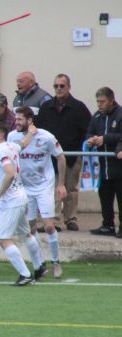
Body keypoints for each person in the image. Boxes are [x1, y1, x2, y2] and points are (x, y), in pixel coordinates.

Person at [7, 106, 67, 279]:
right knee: (30, 228)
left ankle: (56, 262)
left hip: (44, 185)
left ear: (30, 120)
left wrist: (61, 184)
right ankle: (40, 263)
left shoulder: (46, 137)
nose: (16, 123)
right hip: (25, 187)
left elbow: (60, 157)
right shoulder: (13, 136)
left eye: (19, 119)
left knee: (48, 225)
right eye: (15, 119)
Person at [0, 121, 44, 286]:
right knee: (26, 235)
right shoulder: (11, 146)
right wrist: (31, 133)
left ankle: (25, 274)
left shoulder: (0, 151)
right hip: (21, 196)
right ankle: (39, 266)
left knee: (3, 239)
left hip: (11, 200)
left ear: (0, 135)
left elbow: (10, 173)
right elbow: (23, 144)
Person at [36, 74, 92, 231]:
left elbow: (88, 131)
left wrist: (82, 148)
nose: (59, 89)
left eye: (62, 86)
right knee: (51, 189)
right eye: (56, 86)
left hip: (72, 155)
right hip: (51, 157)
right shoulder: (46, 107)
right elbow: (39, 130)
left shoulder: (79, 107)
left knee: (70, 188)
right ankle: (53, 220)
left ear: (68, 87)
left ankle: (71, 219)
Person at [86, 87, 122, 237]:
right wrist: (90, 140)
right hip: (102, 166)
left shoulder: (120, 115)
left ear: (111, 101)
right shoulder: (96, 116)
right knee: (105, 197)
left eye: (103, 102)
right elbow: (89, 132)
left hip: (118, 166)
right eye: (98, 102)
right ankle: (107, 225)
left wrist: (105, 138)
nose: (100, 105)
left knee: (121, 198)